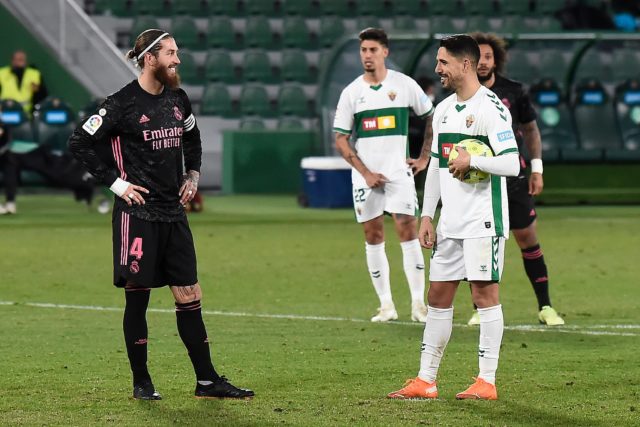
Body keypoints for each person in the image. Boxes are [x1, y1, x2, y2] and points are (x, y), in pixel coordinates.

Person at [68, 29, 253, 400]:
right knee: (138, 298)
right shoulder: (120, 105)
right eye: (170, 53)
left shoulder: (178, 100)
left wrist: (193, 174)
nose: (177, 59)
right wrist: (118, 185)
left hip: (173, 214)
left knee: (189, 294)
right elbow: (79, 142)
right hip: (137, 216)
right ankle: (142, 382)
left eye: (177, 52)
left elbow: (192, 139)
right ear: (149, 58)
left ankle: (207, 381)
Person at [387, 34, 519, 401]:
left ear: (466, 64)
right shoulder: (443, 110)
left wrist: (472, 160)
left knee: (484, 295)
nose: (437, 68)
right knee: (438, 294)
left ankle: (486, 381)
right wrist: (427, 214)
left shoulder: (492, 108)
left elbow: (511, 162)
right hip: (451, 221)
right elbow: (436, 169)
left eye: (443, 62)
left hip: (484, 220)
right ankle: (425, 380)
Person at [333, 28, 434, 323]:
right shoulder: (352, 92)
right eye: (363, 50)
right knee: (373, 235)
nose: (367, 55)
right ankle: (386, 305)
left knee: (408, 232)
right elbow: (340, 138)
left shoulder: (403, 85)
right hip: (365, 177)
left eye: (373, 50)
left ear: (385, 52)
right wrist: (365, 172)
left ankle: (418, 305)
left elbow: (431, 116)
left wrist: (425, 157)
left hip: (398, 173)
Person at [466, 32, 564, 326]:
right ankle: (479, 308)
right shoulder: (460, 95)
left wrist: (537, 169)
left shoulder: (514, 91)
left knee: (527, 240)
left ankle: (545, 306)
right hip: (477, 184)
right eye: (477, 57)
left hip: (514, 179)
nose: (483, 62)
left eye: (488, 56)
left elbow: (531, 130)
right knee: (479, 245)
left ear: (496, 60)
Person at [0, 50, 48, 115]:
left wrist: (37, 89)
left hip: (26, 115)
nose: (18, 62)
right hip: (5, 112)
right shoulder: (2, 73)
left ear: (25, 61)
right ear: (12, 61)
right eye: (16, 59)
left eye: (21, 59)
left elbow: (42, 95)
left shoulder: (34, 74)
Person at [0, 117, 18, 215]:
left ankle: (10, 202)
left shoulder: (4, 125)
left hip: (3, 157)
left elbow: (8, 142)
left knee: (10, 169)